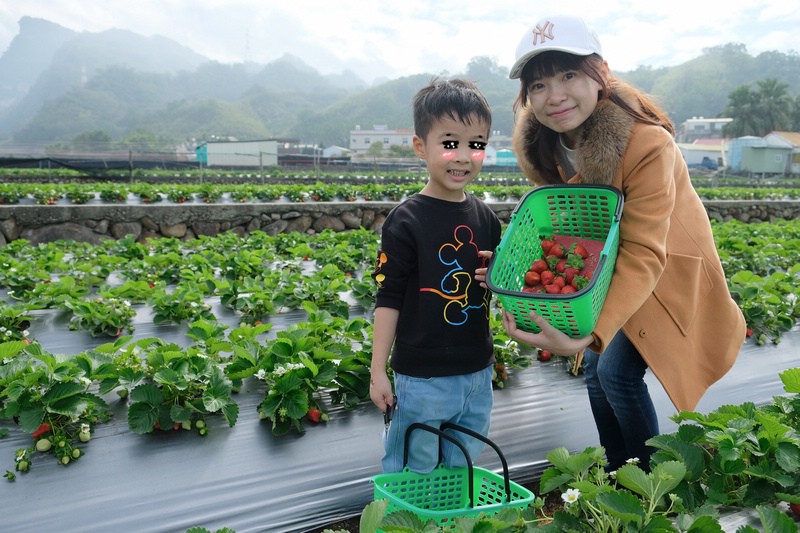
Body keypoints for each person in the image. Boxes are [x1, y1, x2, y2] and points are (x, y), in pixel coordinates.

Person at [495, 14, 746, 471]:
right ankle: (617, 471)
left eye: (568, 74)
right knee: (595, 372)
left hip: (663, 267)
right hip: (609, 264)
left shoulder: (648, 144)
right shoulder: (547, 148)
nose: (554, 96)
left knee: (615, 370)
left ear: (601, 73)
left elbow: (646, 250)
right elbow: (570, 231)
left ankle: (653, 483)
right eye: (538, 84)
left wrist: (590, 330)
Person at [369, 77, 502, 473]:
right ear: (420, 146)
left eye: (476, 144)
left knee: (461, 466)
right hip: (423, 377)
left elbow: (495, 293)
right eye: (450, 142)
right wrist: (378, 371)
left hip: (478, 371)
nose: (463, 155)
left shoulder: (487, 220)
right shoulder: (404, 222)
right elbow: (388, 297)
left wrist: (498, 275)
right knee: (415, 466)